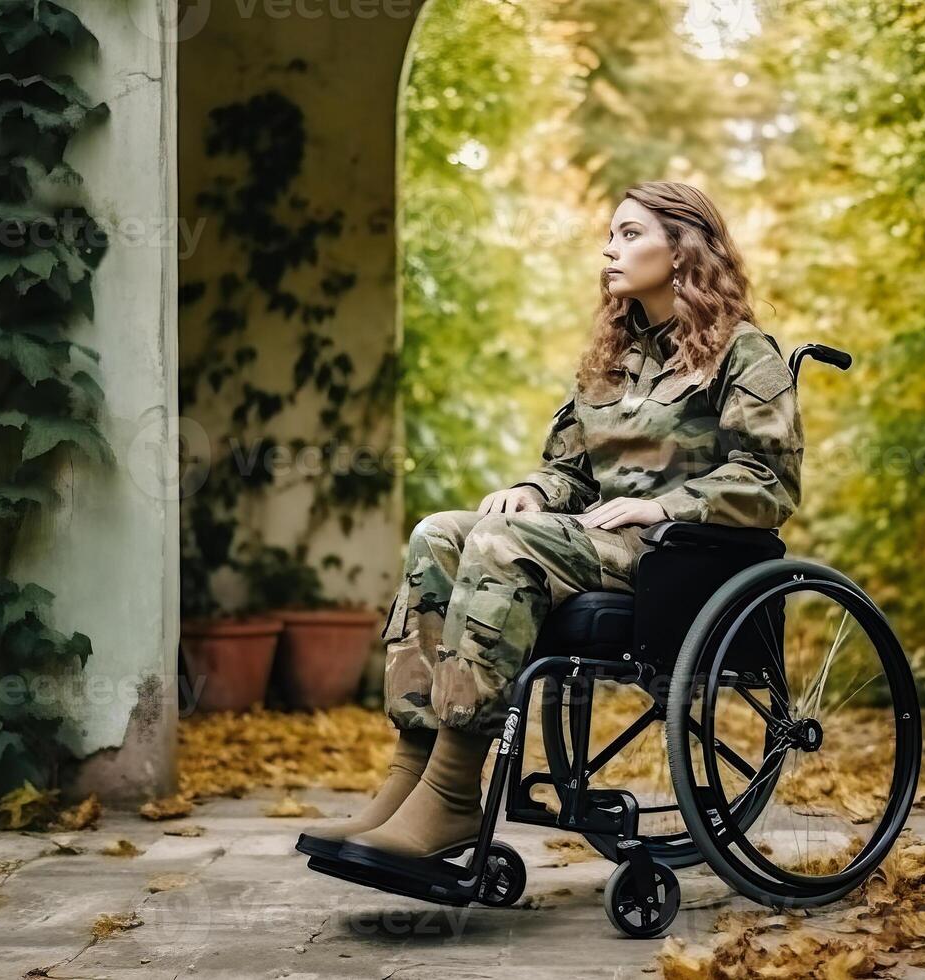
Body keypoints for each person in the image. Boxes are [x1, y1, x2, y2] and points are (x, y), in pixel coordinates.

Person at [304, 180, 804, 858]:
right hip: (594, 544)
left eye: (630, 234)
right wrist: (532, 492)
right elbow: (568, 469)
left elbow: (769, 480)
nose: (609, 249)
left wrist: (663, 505)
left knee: (503, 548)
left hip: (680, 557)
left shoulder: (744, 354)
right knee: (439, 536)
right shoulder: (610, 363)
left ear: (684, 247)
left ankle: (451, 794)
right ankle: (411, 775)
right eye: (610, 234)